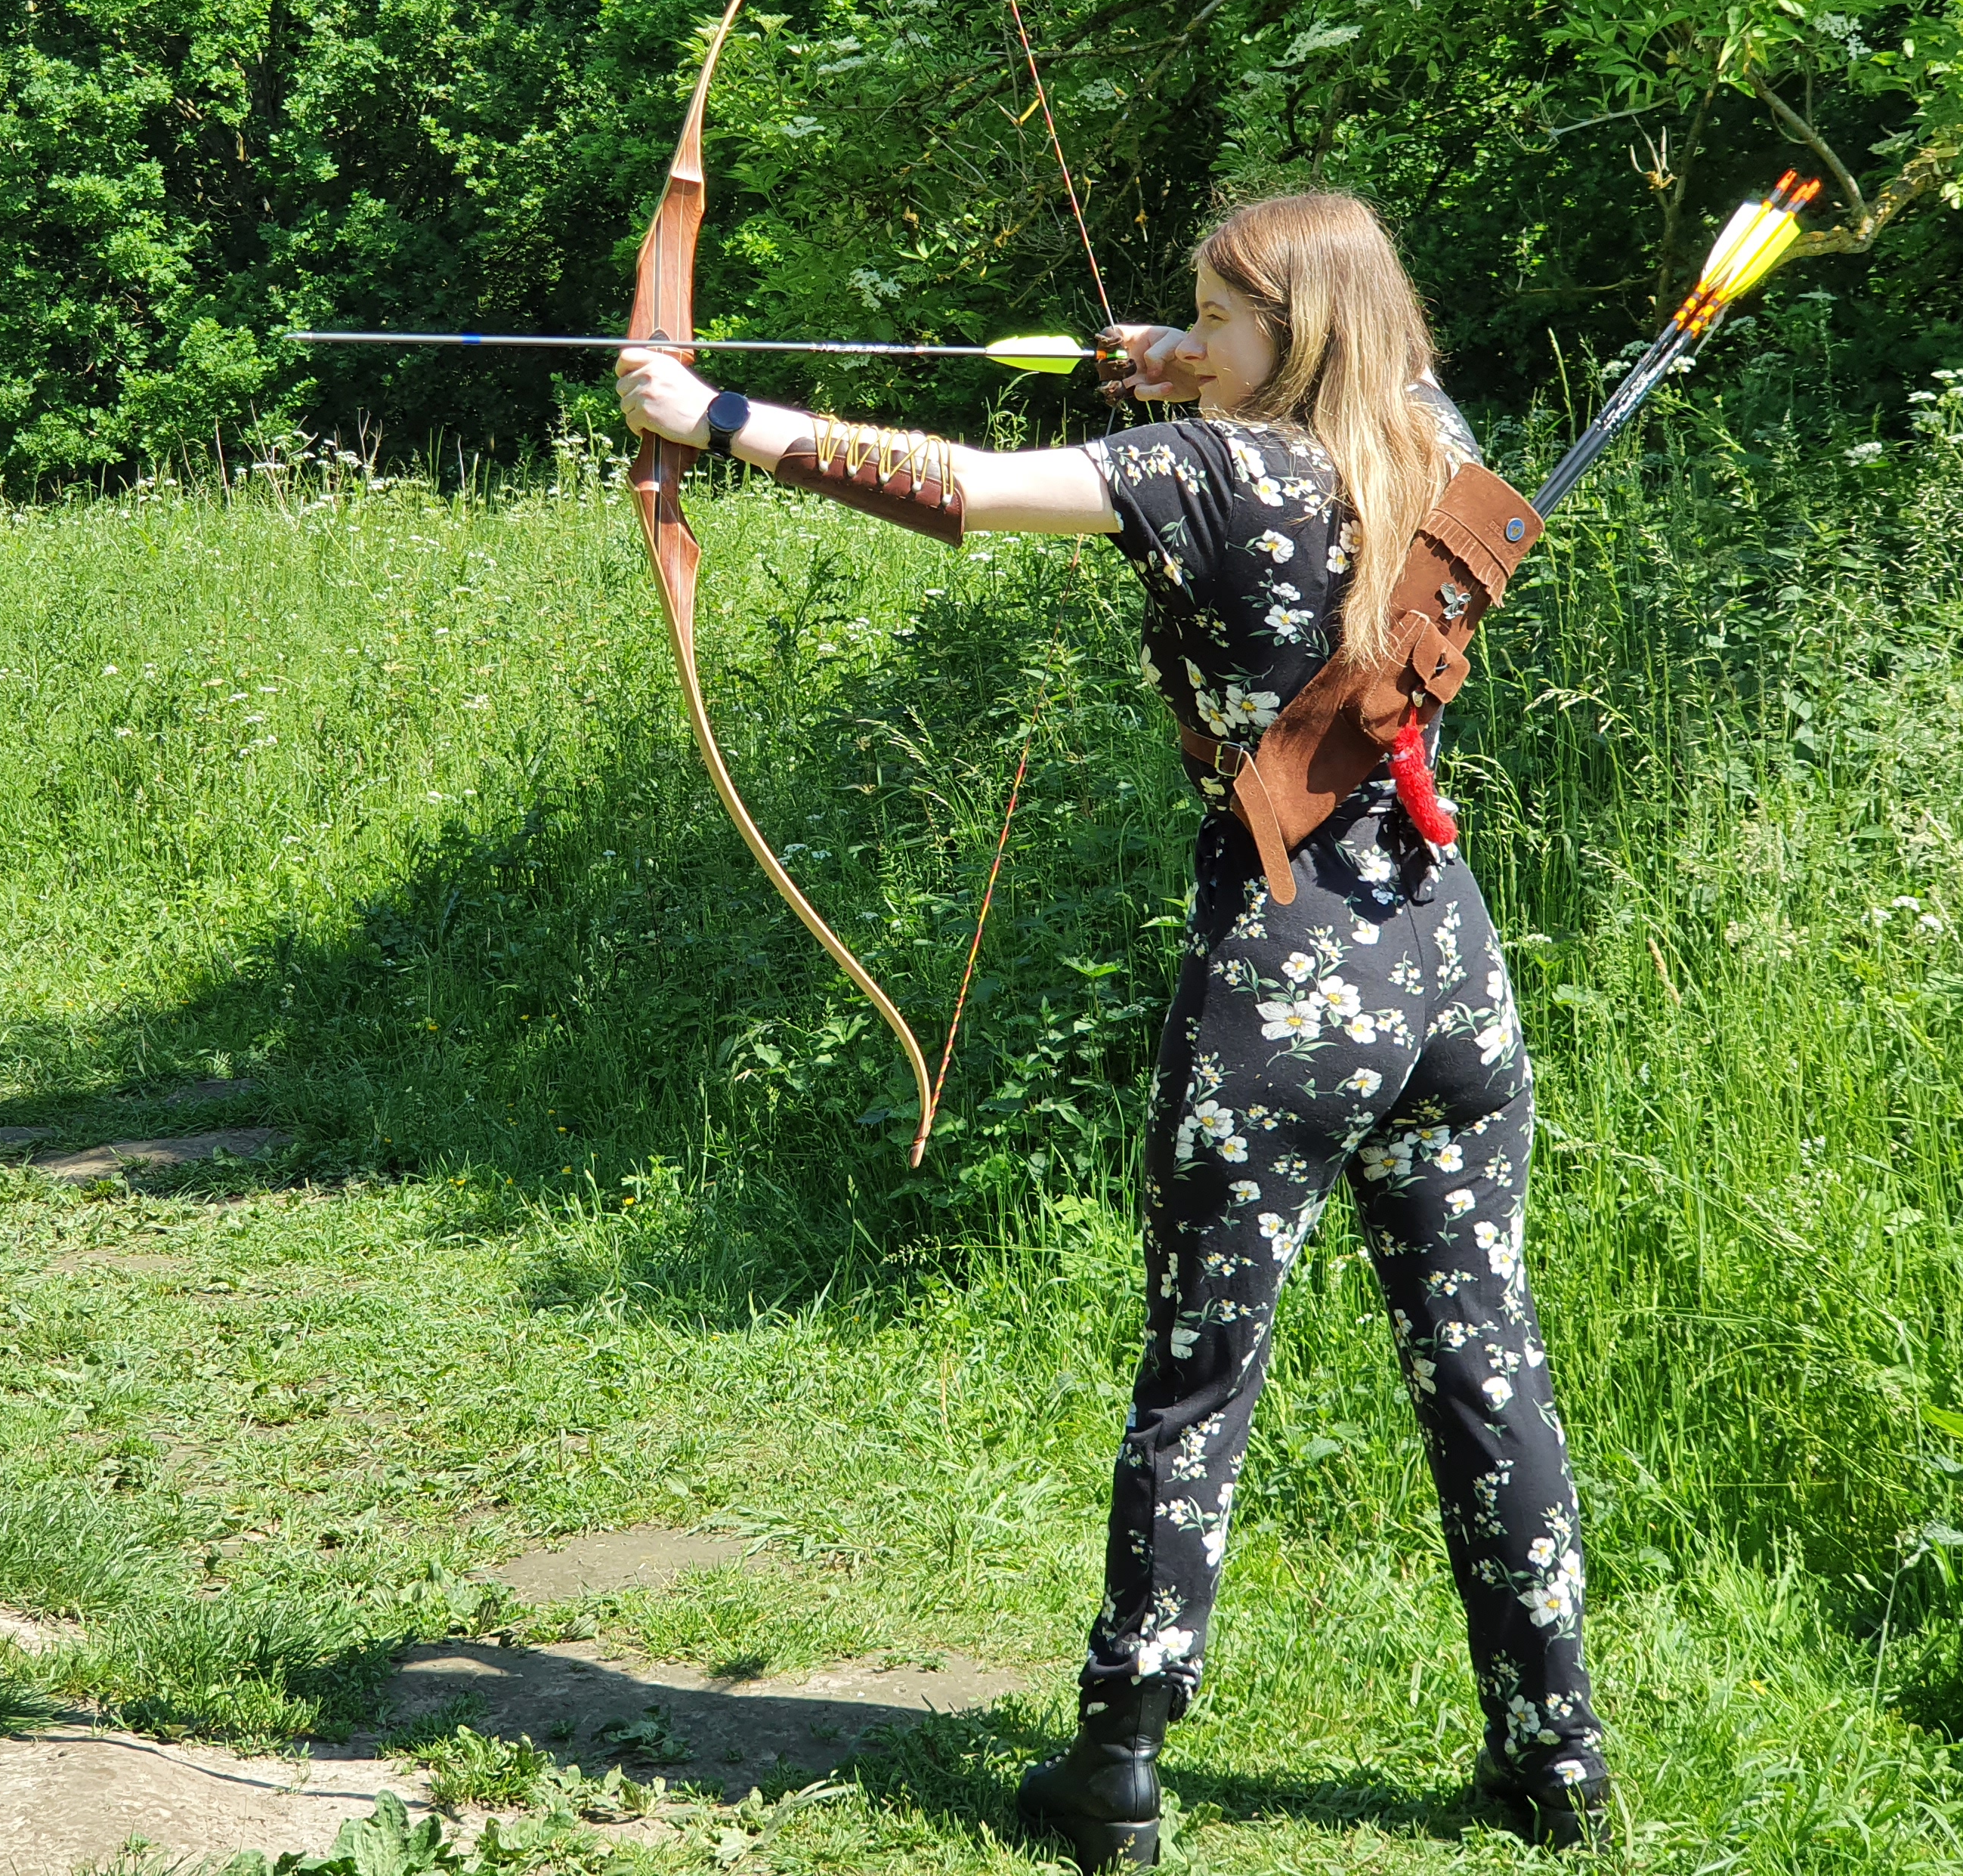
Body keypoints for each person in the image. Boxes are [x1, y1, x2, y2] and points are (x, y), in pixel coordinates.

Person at [614, 191, 1609, 1865]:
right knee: (1487, 1365)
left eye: (1215, 314)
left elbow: (963, 486)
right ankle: (1556, 1758)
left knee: (1201, 1376)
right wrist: (1199, 366)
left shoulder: (1204, 476)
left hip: (1282, 992)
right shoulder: (1434, 447)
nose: (1186, 336)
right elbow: (1365, 388)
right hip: (1448, 977)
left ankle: (1120, 1767)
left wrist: (714, 418)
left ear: (1289, 335)